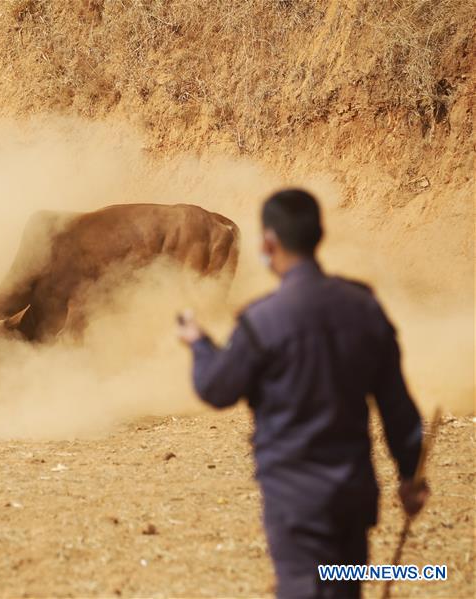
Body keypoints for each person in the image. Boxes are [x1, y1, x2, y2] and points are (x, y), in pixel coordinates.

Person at [175, 189, 429, 598]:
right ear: (318, 236)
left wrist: (199, 343)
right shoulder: (364, 308)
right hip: (354, 495)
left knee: (303, 587)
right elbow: (398, 407)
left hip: (296, 500)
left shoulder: (263, 320)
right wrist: (410, 475)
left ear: (268, 243)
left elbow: (216, 389)